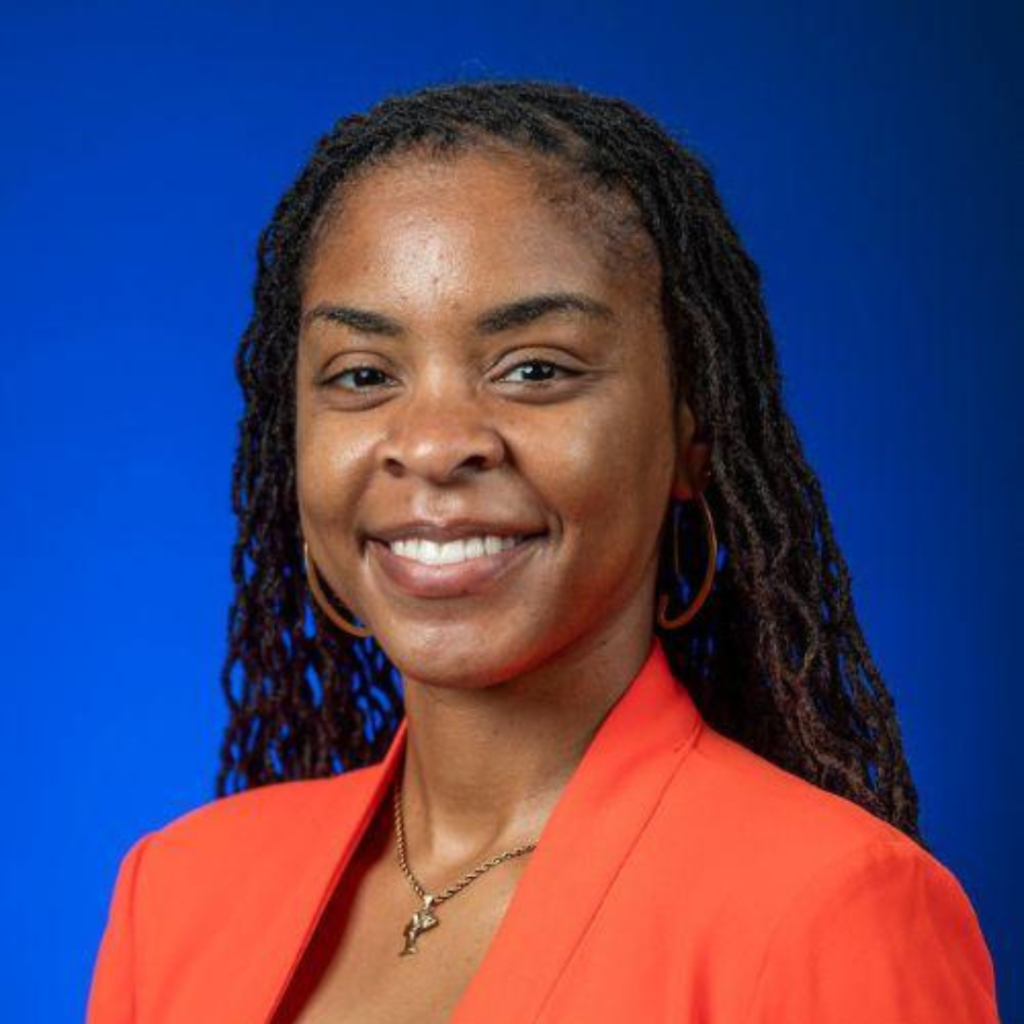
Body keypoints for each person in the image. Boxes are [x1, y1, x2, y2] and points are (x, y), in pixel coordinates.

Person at [86, 79, 1002, 1023]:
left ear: (692, 432)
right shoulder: (177, 893)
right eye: (362, 375)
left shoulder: (832, 909)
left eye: (534, 368)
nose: (433, 444)